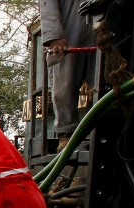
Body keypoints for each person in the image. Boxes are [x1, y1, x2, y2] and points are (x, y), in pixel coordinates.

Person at [40, 0, 95, 152]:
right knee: (64, 80)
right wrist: (54, 35)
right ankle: (66, 133)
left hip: (100, 22)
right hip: (69, 24)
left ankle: (99, 127)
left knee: (99, 80)